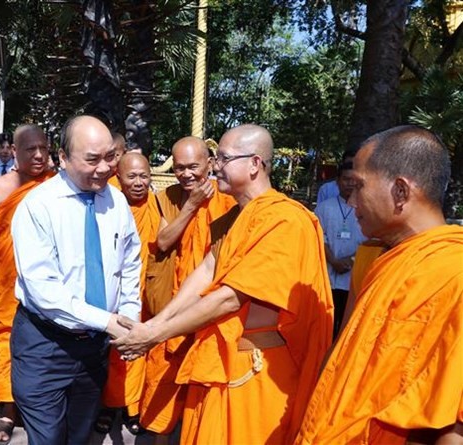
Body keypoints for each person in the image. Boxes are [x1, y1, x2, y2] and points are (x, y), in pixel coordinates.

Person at [114, 124, 333, 444]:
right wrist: (157, 324)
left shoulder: (285, 220)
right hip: (221, 361)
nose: (215, 166)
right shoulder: (240, 217)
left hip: (255, 371)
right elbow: (208, 269)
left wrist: (155, 334)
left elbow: (231, 297)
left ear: (255, 164)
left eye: (224, 159)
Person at [295, 125, 462, 444]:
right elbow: (345, 354)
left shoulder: (454, 274)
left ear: (400, 191)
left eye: (359, 187)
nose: (351, 199)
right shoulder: (378, 260)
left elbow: (452, 423)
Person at [9, 115, 141, 444]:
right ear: (63, 158)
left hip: (96, 348)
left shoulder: (117, 201)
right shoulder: (37, 207)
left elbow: (129, 264)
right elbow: (45, 292)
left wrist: (129, 317)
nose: (104, 168)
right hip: (45, 344)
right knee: (49, 437)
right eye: (92, 159)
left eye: (110, 157)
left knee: (81, 434)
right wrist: (110, 322)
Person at [138, 136, 236, 441]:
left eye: (193, 166)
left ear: (209, 163)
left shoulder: (229, 200)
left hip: (211, 304)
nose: (186, 174)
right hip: (173, 297)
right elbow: (163, 241)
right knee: (163, 375)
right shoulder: (168, 197)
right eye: (179, 168)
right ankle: (159, 436)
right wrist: (191, 205)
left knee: (204, 381)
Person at [0, 124, 55, 444]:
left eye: (43, 148)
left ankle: (40, 407)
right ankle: (7, 410)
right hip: (6, 280)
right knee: (2, 342)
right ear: (13, 151)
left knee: (44, 343)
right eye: (29, 149)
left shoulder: (58, 185)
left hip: (47, 282)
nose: (37, 155)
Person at [97, 152, 161, 436]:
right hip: (111, 293)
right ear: (119, 178)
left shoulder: (158, 205)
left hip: (145, 292)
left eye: (144, 176)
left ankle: (132, 406)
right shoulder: (106, 203)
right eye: (132, 177)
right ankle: (108, 406)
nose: (138, 183)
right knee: (111, 353)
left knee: (138, 351)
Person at [314, 160, 366, 338]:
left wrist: (350, 260)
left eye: (354, 180)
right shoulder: (324, 207)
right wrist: (333, 260)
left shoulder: (365, 209)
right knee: (324, 326)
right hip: (328, 277)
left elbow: (370, 240)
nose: (350, 184)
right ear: (337, 181)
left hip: (353, 277)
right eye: (346, 179)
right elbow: (318, 236)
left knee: (346, 328)